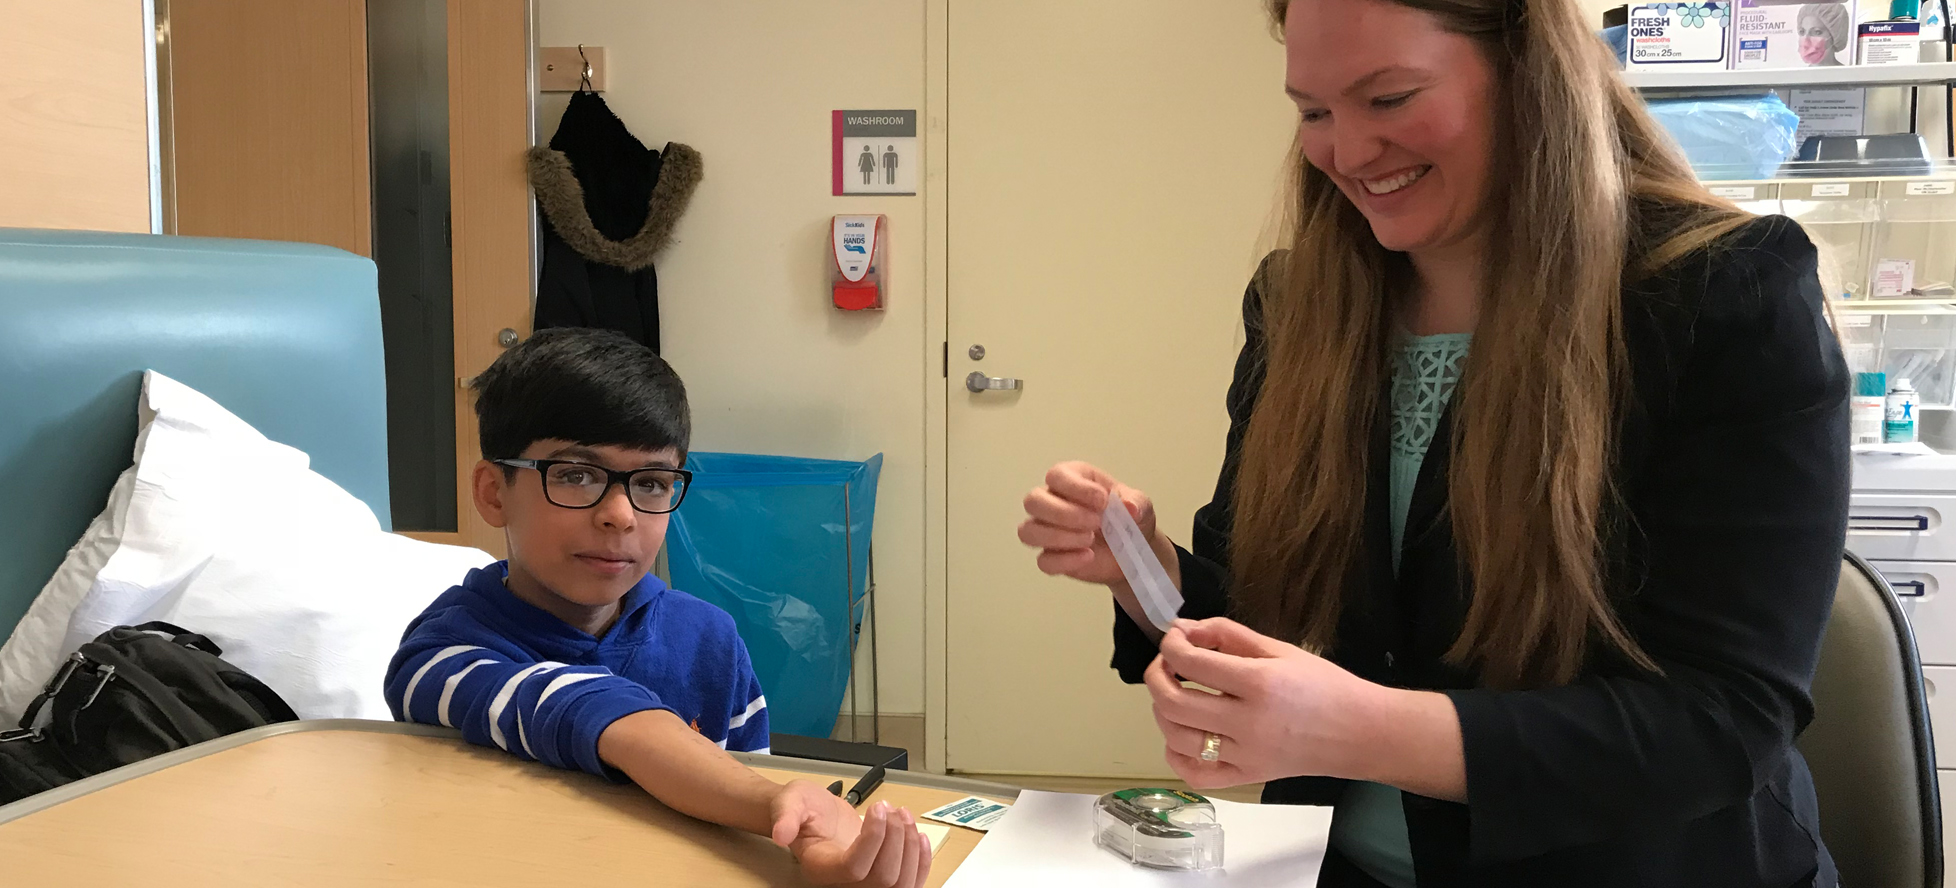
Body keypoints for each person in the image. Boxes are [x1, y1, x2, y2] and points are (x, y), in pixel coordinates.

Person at [1018, 0, 1848, 884]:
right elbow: (1268, 620)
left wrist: (1358, 728)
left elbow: (1721, 721)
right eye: (1313, 112)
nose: (1346, 150)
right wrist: (1148, 571)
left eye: (1389, 99)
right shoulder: (1299, 306)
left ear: (1528, 72)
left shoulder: (1726, 299)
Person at [386, 328, 932, 888]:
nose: (621, 515)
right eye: (575, 475)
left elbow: (746, 802)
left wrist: (809, 843)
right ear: (493, 493)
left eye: (650, 482)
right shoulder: (442, 651)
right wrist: (773, 800)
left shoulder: (709, 639)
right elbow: (583, 706)